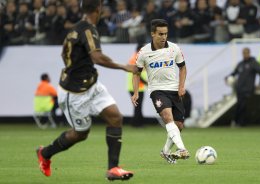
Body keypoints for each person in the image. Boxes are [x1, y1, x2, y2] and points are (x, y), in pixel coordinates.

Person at [36, 0, 135, 181]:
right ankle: (45, 153)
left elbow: (63, 54)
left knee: (115, 117)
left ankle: (113, 168)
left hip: (91, 84)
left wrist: (79, 67)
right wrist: (124, 67)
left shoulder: (75, 29)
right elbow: (97, 57)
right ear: (99, 9)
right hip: (74, 93)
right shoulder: (88, 29)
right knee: (81, 133)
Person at [131, 19, 190, 164]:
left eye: (166, 34)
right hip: (157, 90)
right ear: (152, 34)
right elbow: (136, 73)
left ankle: (165, 151)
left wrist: (181, 86)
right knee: (167, 116)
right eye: (160, 34)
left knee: (179, 125)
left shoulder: (174, 48)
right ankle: (182, 149)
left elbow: (182, 67)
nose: (164, 37)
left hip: (174, 89)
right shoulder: (144, 52)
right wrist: (136, 92)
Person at [226, 47, 260, 127]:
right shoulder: (240, 64)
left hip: (248, 88)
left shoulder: (254, 63)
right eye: (244, 53)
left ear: (249, 53)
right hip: (239, 88)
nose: (245, 55)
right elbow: (234, 73)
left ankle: (240, 122)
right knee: (239, 105)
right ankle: (237, 122)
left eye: (246, 53)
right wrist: (227, 77)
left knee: (243, 105)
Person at [127, 43, 147, 127]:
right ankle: (137, 123)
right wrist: (146, 82)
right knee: (138, 106)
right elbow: (136, 73)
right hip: (136, 87)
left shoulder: (136, 58)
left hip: (137, 86)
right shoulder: (136, 59)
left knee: (137, 106)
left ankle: (137, 122)